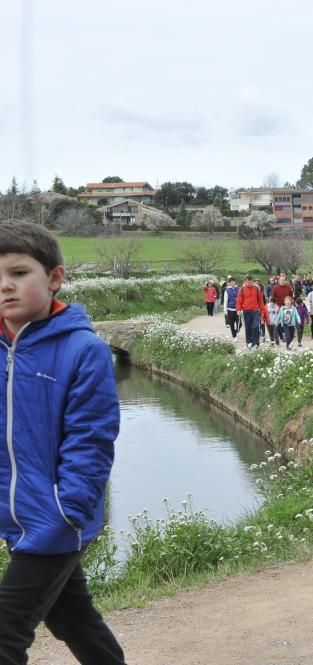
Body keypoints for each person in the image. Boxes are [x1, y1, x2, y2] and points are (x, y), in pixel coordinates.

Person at [0, 220, 127, 664]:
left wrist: (67, 512)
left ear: (54, 278)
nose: (5, 286)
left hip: (58, 519)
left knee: (4, 631)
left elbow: (91, 441)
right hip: (15, 517)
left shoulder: (83, 349)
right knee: (72, 618)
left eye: (19, 273)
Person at [236, 274, 268, 348]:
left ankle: (256, 343)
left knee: (256, 326)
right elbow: (239, 300)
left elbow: (260, 301)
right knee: (248, 327)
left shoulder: (256, 289)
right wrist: (238, 309)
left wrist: (262, 311)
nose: (249, 284)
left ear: (253, 281)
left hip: (255, 311)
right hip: (246, 311)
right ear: (245, 282)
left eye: (251, 282)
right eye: (248, 282)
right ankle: (249, 342)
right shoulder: (242, 289)